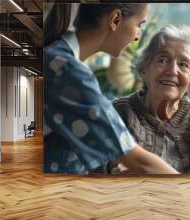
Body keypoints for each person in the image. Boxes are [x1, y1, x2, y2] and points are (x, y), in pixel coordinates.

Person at [43, 3, 179, 174]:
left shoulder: (58, 59)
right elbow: (140, 162)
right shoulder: (66, 70)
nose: (137, 36)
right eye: (139, 25)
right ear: (115, 19)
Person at [112, 25, 190, 175]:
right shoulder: (118, 112)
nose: (172, 70)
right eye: (163, 60)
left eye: (183, 64)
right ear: (145, 68)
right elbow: (95, 168)